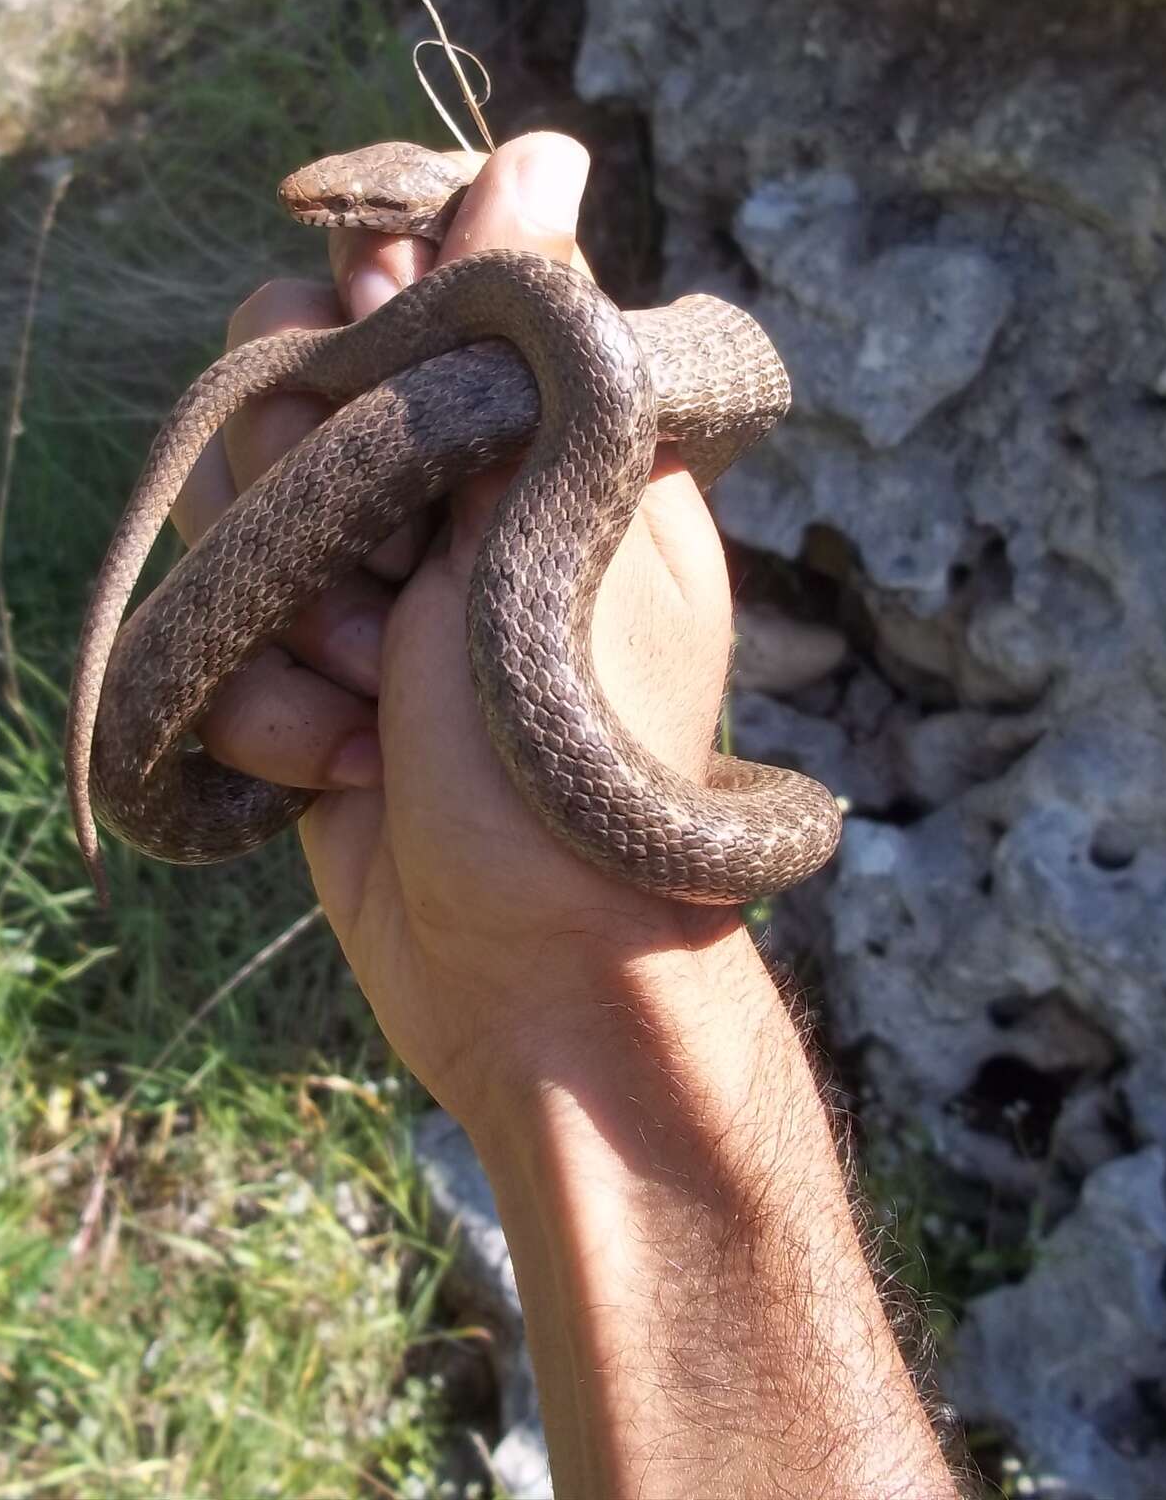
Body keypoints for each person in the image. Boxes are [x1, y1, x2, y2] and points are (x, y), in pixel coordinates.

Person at [172, 131, 965, 1500]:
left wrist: (584, 972)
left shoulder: (543, 331)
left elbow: (718, 369)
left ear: (413, 207)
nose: (331, 221)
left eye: (358, 208)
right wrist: (555, 991)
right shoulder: (515, 350)